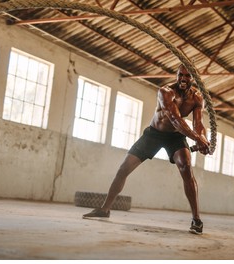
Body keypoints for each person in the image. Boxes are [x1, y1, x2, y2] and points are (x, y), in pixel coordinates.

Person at [83, 64, 211, 234]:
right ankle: (104, 209)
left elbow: (199, 124)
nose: (183, 79)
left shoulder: (196, 98)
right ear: (177, 75)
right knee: (123, 169)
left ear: (192, 78)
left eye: (187, 76)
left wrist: (202, 138)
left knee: (186, 167)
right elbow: (174, 119)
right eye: (180, 75)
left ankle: (196, 220)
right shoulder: (165, 92)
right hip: (154, 134)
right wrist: (196, 138)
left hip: (175, 137)